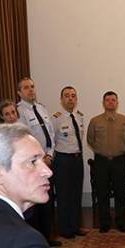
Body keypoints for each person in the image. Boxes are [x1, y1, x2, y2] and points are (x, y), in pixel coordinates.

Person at [17, 77, 60, 246]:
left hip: (48, 161)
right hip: (33, 164)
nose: (31, 90)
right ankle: (36, 240)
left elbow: (51, 135)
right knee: (34, 203)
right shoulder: (19, 111)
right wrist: (39, 159)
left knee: (47, 200)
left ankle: (47, 237)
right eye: (26, 87)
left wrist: (49, 155)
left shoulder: (42, 108)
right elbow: (24, 138)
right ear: (19, 92)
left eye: (32, 86)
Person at [87, 91, 125, 233]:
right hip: (101, 161)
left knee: (121, 192)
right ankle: (105, 223)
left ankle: (121, 222)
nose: (110, 102)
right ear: (103, 103)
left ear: (117, 103)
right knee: (103, 192)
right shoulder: (95, 121)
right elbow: (90, 139)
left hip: (119, 161)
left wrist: (122, 151)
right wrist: (101, 150)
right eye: (107, 100)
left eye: (113, 100)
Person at [51, 86, 87, 238]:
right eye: (67, 96)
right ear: (61, 99)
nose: (70, 98)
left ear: (76, 99)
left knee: (76, 193)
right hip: (63, 160)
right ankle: (65, 229)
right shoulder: (56, 119)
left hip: (77, 159)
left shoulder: (79, 116)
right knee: (64, 195)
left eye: (73, 96)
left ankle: (75, 225)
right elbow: (51, 141)